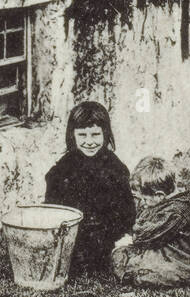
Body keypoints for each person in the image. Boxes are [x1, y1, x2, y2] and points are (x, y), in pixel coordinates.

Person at [44, 101, 134, 278]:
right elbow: (52, 209)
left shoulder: (116, 169)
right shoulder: (61, 171)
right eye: (82, 135)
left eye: (95, 134)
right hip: (72, 236)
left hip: (106, 237)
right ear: (73, 136)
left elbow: (127, 213)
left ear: (105, 134)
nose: (89, 142)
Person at [111, 157, 190, 288]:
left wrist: (133, 237)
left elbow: (149, 235)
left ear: (159, 195)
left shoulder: (177, 211)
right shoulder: (166, 202)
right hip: (169, 250)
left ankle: (134, 274)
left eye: (144, 199)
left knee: (139, 271)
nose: (142, 203)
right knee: (124, 255)